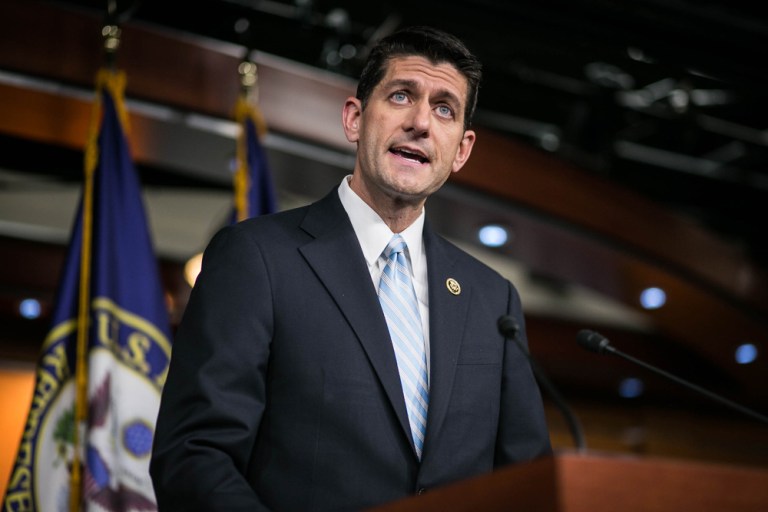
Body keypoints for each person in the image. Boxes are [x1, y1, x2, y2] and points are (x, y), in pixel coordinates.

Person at [150, 25, 551, 511]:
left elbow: (527, 481)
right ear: (355, 119)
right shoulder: (257, 258)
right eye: (402, 95)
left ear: (461, 150)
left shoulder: (493, 299)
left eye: (444, 108)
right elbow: (194, 455)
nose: (421, 123)